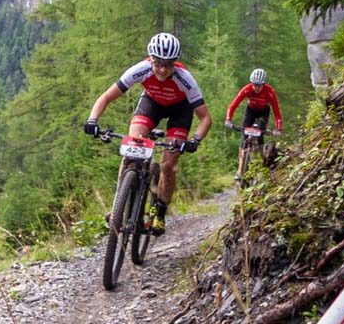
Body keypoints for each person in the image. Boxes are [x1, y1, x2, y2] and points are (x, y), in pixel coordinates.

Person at [82, 32, 210, 236]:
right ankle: (120, 205)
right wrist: (92, 120)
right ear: (150, 59)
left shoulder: (185, 79)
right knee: (131, 148)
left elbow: (205, 118)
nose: (162, 69)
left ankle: (159, 213)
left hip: (180, 111)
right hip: (152, 104)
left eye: (168, 64)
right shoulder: (140, 69)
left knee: (168, 165)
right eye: (158, 63)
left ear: (175, 63)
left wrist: (195, 140)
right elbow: (106, 96)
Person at [224, 67, 282, 167]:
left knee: (260, 134)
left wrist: (278, 128)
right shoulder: (247, 89)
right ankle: (240, 168)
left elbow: (276, 111)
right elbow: (233, 105)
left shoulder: (270, 92)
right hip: (250, 110)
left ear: (263, 84)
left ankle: (260, 162)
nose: (256, 87)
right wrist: (228, 119)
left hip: (263, 112)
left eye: (259, 85)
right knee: (244, 136)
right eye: (254, 85)